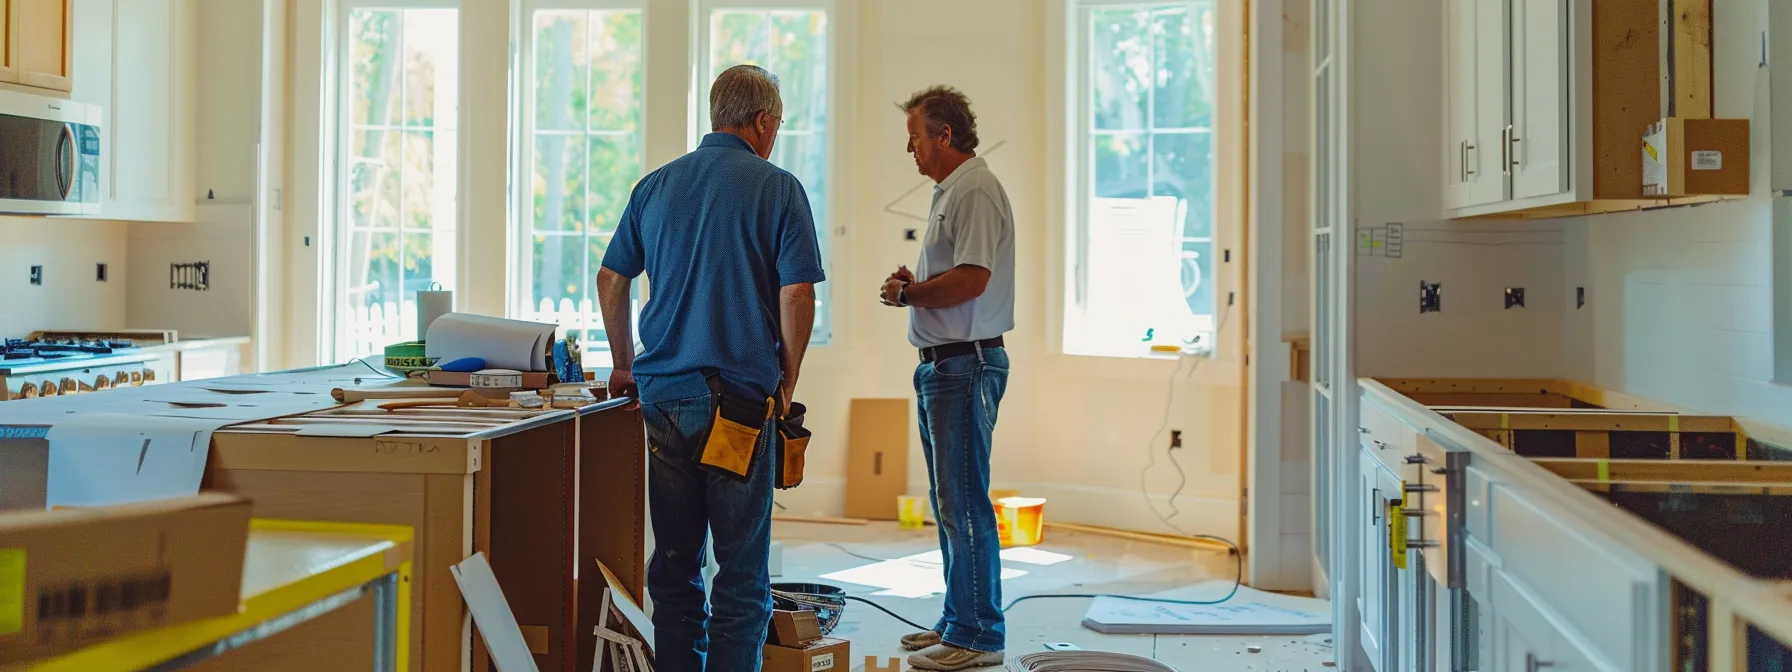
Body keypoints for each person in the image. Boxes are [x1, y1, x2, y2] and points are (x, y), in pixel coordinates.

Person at [597, 64, 823, 672]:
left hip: (666, 402)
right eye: (777, 125)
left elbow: (611, 278)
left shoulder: (656, 186)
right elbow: (798, 295)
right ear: (763, 122)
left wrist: (625, 365)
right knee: (741, 571)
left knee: (674, 564)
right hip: (740, 412)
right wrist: (790, 376)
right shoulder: (777, 189)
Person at [879, 85, 1015, 671]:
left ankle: (978, 635)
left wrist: (909, 292)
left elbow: (973, 279)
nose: (909, 149)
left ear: (944, 135)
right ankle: (957, 618)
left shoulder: (975, 188)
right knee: (949, 501)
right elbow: (956, 274)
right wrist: (919, 283)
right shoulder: (950, 192)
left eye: (915, 138)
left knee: (964, 504)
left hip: (965, 364)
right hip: (945, 365)